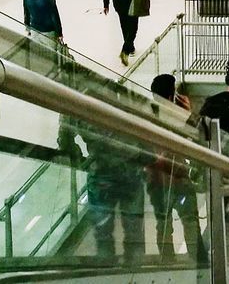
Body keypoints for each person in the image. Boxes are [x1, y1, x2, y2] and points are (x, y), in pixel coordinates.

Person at [58, 117, 147, 261]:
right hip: (131, 171)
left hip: (100, 172)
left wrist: (81, 162)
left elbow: (65, 139)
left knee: (103, 238)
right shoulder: (123, 95)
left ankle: (107, 271)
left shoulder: (77, 97)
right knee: (135, 236)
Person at [147, 74, 203, 260]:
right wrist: (190, 113)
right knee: (189, 220)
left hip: (155, 181)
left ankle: (167, 262)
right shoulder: (178, 116)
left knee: (163, 223)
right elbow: (201, 136)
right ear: (172, 96)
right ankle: (198, 261)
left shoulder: (146, 114)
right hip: (179, 178)